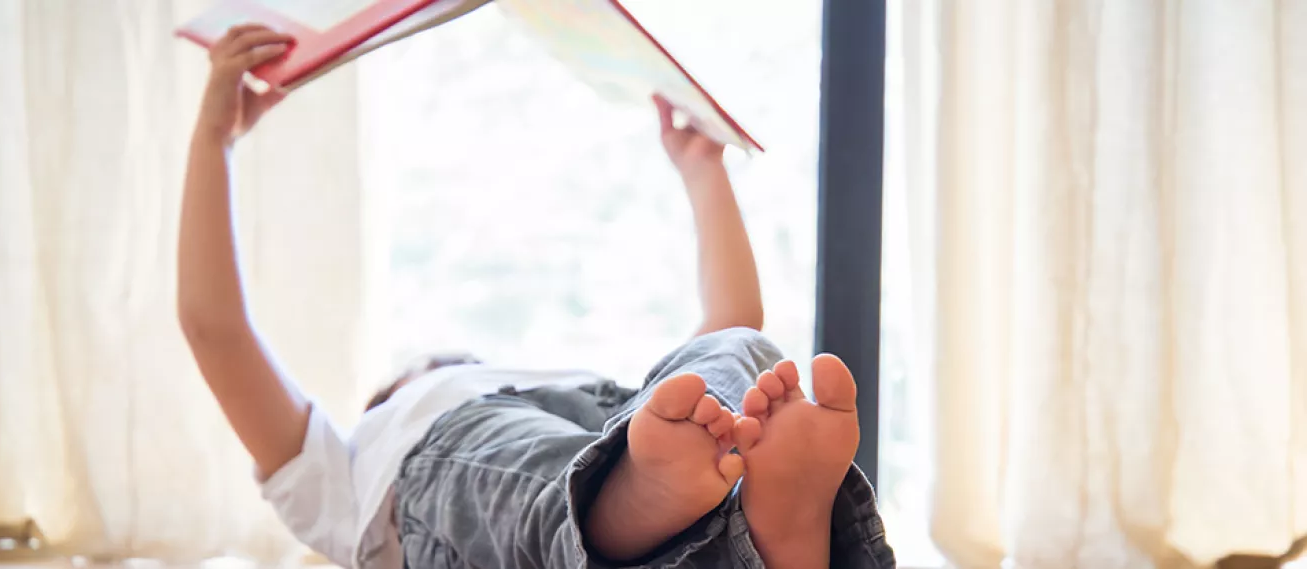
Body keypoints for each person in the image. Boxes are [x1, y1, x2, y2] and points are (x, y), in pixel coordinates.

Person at [177, 25, 896, 569]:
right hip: (477, 452)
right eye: (428, 368)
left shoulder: (593, 408)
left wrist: (702, 167)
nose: (450, 361)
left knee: (726, 357)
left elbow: (732, 324)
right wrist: (214, 140)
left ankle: (728, 523)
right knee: (523, 464)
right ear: (389, 397)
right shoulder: (350, 468)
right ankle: (637, 502)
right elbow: (216, 329)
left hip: (616, 422)